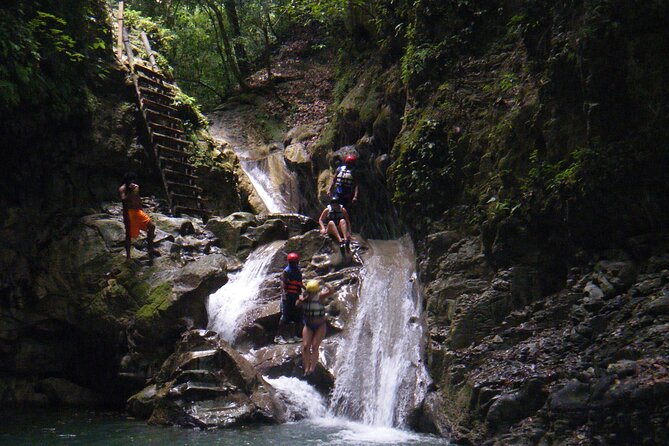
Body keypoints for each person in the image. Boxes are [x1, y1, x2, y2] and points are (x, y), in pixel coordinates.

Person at [297, 279, 334, 376]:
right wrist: (300, 300)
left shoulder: (320, 297)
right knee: (305, 347)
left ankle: (312, 368)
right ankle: (306, 369)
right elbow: (297, 304)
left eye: (314, 292)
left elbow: (331, 291)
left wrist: (324, 283)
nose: (312, 294)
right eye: (311, 292)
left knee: (314, 346)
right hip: (308, 325)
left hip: (320, 325)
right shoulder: (304, 297)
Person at [119, 172, 158, 259]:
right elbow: (124, 200)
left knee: (151, 226)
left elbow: (137, 199)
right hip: (129, 212)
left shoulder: (136, 187)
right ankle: (128, 256)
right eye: (130, 180)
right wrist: (131, 192)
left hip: (138, 211)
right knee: (128, 235)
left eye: (133, 180)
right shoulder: (123, 188)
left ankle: (150, 249)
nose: (132, 182)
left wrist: (141, 209)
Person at [275, 252, 304, 344]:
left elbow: (299, 283)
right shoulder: (286, 271)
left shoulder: (297, 270)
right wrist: (284, 295)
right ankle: (278, 337)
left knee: (295, 315)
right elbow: (283, 283)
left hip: (295, 295)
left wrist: (306, 289)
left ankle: (293, 336)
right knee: (285, 317)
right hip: (288, 296)